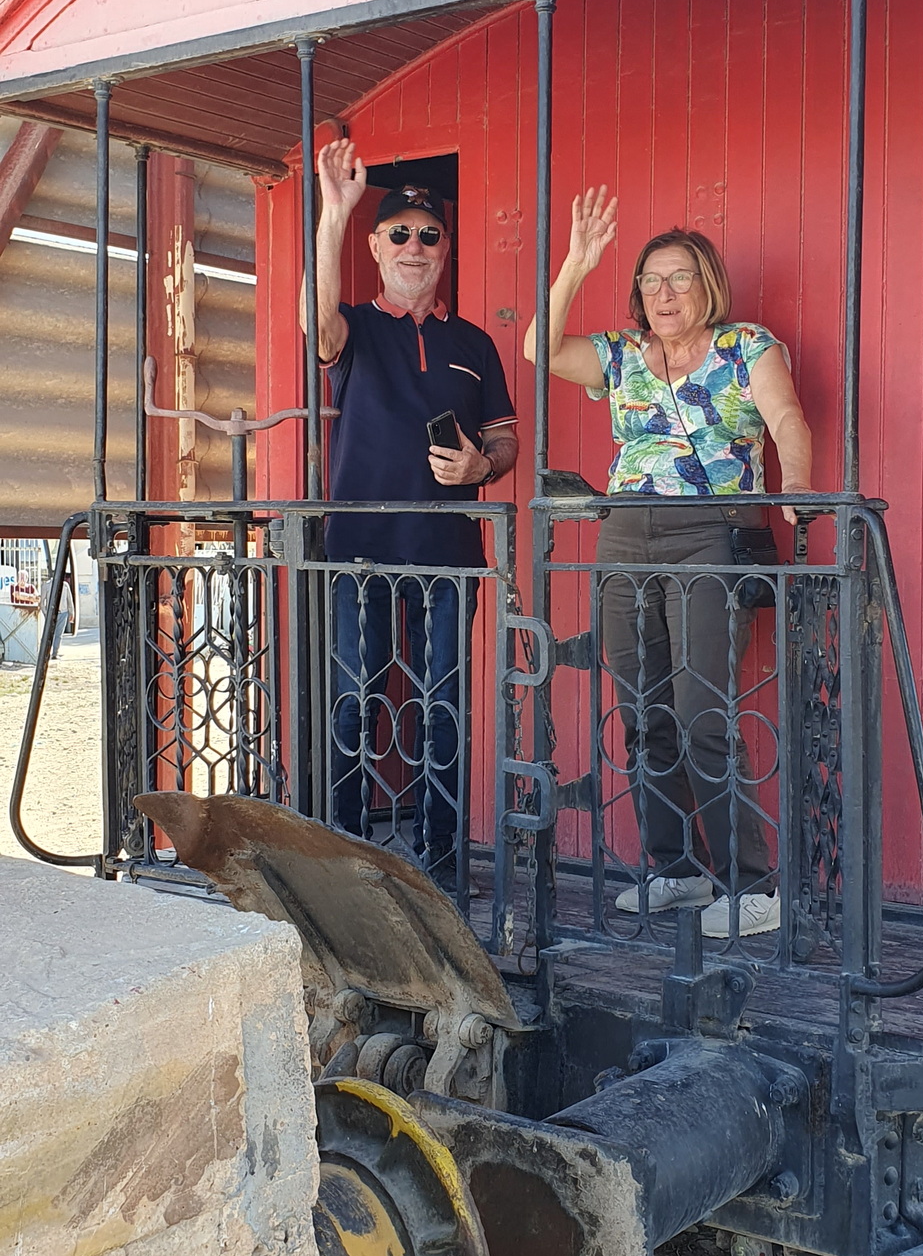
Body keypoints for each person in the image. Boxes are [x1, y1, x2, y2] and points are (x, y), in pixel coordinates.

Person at [525, 187, 812, 937]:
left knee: (700, 712)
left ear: (706, 284)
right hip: (624, 534)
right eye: (651, 280)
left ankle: (753, 887)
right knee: (642, 709)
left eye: (679, 277)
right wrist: (575, 264)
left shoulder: (747, 346)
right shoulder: (621, 354)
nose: (664, 293)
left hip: (709, 531)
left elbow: (786, 416)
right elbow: (538, 349)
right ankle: (676, 868)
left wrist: (798, 485)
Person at [300, 140, 518, 891]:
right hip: (359, 547)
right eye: (399, 233)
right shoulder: (353, 325)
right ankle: (344, 857)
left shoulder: (474, 343)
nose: (414, 246)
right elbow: (315, 322)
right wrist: (334, 215)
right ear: (376, 246)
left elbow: (503, 439)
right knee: (352, 702)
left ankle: (440, 860)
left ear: (445, 248)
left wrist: (482, 467)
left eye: (429, 235)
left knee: (443, 706)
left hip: (446, 551)